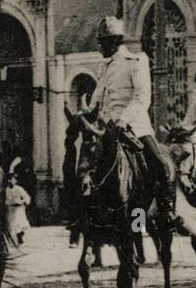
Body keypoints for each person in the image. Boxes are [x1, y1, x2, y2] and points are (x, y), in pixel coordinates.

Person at [74, 16, 181, 234]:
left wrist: (124, 120)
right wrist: (85, 112)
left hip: (135, 127)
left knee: (160, 164)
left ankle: (167, 211)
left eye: (102, 42)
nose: (100, 46)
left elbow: (143, 98)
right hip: (108, 129)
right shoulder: (106, 67)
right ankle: (88, 215)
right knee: (87, 164)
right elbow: (97, 99)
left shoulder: (136, 60)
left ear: (114, 42)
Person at [5, 171, 31, 246]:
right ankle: (15, 239)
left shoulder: (19, 189)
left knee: (19, 223)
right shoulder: (6, 190)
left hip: (18, 209)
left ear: (15, 181)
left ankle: (19, 236)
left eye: (11, 179)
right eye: (8, 179)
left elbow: (27, 197)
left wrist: (22, 201)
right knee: (12, 224)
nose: (10, 181)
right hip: (10, 209)